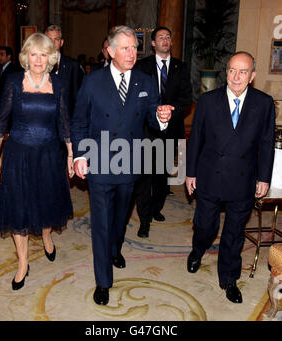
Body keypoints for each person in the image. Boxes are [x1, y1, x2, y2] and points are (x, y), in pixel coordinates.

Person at [71, 25, 173, 306]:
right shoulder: (93, 81)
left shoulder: (145, 81)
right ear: (111, 51)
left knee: (120, 218)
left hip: (130, 162)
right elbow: (79, 121)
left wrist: (161, 116)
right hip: (101, 162)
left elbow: (153, 118)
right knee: (102, 223)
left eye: (135, 47)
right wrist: (80, 155)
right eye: (126, 48)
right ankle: (103, 281)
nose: (132, 53)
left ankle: (115, 249)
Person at [185, 51, 275, 304]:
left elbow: (267, 143)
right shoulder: (208, 100)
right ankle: (197, 249)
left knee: (234, 232)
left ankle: (229, 278)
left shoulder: (264, 103)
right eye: (232, 70)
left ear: (252, 76)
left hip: (243, 178)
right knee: (205, 225)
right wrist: (190, 172)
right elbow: (196, 141)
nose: (236, 77)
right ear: (226, 73)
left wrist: (264, 177)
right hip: (209, 175)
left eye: (243, 71)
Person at [0, 33, 74, 291]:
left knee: (47, 201)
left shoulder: (58, 83)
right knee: (19, 208)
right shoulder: (14, 81)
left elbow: (64, 122)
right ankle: (23, 263)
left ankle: (47, 234)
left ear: (51, 57)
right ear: (26, 56)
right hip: (18, 154)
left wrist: (71, 154)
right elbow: (2, 121)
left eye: (43, 54)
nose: (38, 59)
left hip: (49, 154)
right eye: (33, 53)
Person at [135, 26, 192, 238]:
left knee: (161, 176)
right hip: (146, 130)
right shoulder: (141, 67)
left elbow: (187, 98)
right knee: (143, 178)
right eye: (161, 37)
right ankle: (144, 220)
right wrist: (154, 111)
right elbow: (137, 97)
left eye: (168, 37)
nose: (165, 40)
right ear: (153, 43)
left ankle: (155, 208)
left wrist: (169, 110)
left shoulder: (181, 67)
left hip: (170, 129)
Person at [45, 25, 83, 117]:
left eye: (56, 39)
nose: (52, 43)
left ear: (61, 42)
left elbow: (76, 96)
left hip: (65, 118)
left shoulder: (72, 65)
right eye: (49, 40)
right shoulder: (38, 64)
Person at [0, 46, 17, 118]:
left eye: (2, 54)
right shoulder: (3, 68)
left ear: (8, 57)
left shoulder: (12, 70)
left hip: (6, 109)